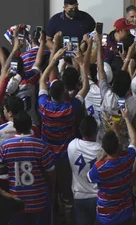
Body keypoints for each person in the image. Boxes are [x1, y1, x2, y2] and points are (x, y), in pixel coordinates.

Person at [38, 47, 89, 224]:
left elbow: (42, 81)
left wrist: (53, 60)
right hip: (65, 157)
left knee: (50, 192)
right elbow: (85, 88)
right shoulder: (70, 108)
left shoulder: (43, 106)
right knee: (67, 194)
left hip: (46, 157)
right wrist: (82, 64)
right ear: (64, 93)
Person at [0, 111, 56, 225]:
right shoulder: (41, 145)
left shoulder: (5, 146)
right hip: (39, 199)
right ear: (31, 126)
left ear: (15, 126)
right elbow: (51, 173)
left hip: (16, 200)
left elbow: (2, 177)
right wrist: (52, 191)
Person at [88, 106, 136, 225]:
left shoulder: (100, 168)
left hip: (105, 217)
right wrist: (126, 119)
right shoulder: (127, 159)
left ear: (104, 148)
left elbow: (89, 177)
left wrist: (101, 157)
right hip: (125, 215)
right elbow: (134, 140)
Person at [67, 116, 102, 225]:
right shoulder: (101, 150)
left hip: (79, 196)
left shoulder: (72, 145)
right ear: (96, 131)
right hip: (99, 197)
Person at [0, 96, 26, 166]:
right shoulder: (33, 128)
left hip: (5, 172)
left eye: (4, 109)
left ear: (10, 113)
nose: (3, 111)